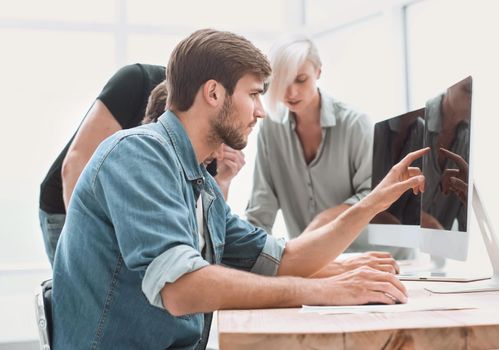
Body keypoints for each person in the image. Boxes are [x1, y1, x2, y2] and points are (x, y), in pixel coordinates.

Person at [52, 28, 428, 349]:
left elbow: (284, 259)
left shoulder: (202, 185)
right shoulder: (138, 154)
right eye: (253, 94)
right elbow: (181, 289)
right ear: (214, 93)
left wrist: (372, 203)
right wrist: (321, 290)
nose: (262, 111)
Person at [39, 64, 243, 266]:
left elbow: (203, 220)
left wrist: (223, 180)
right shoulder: (136, 82)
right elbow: (76, 163)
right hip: (70, 206)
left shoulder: (213, 128)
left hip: (133, 212)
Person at [246, 35, 410, 258]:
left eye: (301, 80)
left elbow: (376, 193)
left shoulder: (355, 124)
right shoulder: (270, 130)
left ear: (318, 72)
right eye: (282, 82)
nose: (291, 92)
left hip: (377, 256)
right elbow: (261, 208)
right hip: (317, 261)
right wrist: (251, 260)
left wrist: (325, 219)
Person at [421, 76, 472, 231]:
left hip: (441, 250)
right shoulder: (416, 119)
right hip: (402, 245)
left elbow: (466, 220)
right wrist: (431, 224)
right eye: (468, 90)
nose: (473, 100)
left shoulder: (473, 138)